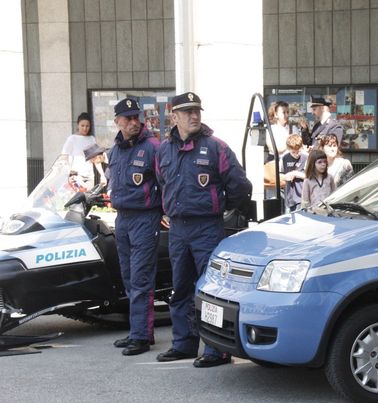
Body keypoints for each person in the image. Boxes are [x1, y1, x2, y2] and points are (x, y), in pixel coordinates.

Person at [155, 92, 252, 367]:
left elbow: (240, 186)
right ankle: (183, 344)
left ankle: (216, 350)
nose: (194, 116)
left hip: (206, 227)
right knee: (181, 287)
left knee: (211, 290)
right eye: (187, 112)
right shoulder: (164, 150)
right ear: (174, 118)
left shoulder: (215, 147)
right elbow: (162, 182)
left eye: (197, 110)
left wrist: (222, 208)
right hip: (178, 229)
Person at [106, 98, 162, 356]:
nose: (133, 122)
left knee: (140, 278)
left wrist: (164, 211)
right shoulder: (115, 150)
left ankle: (140, 336)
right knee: (129, 277)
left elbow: (166, 182)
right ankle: (139, 330)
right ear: (117, 120)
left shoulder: (152, 147)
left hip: (144, 218)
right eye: (127, 118)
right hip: (123, 219)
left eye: (135, 117)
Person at [62, 112, 97, 188]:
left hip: (89, 176)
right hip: (76, 176)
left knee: (88, 198)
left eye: (87, 126)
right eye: (82, 125)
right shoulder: (72, 139)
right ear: (78, 125)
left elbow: (95, 159)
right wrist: (68, 171)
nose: (85, 128)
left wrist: (102, 175)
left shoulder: (92, 139)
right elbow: (64, 156)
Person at [280, 133, 307, 211]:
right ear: (288, 149)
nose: (296, 155)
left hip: (302, 196)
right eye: (293, 152)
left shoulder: (305, 157)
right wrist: (286, 176)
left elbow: (310, 176)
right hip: (289, 196)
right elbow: (280, 174)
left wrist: (296, 174)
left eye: (298, 151)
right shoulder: (285, 158)